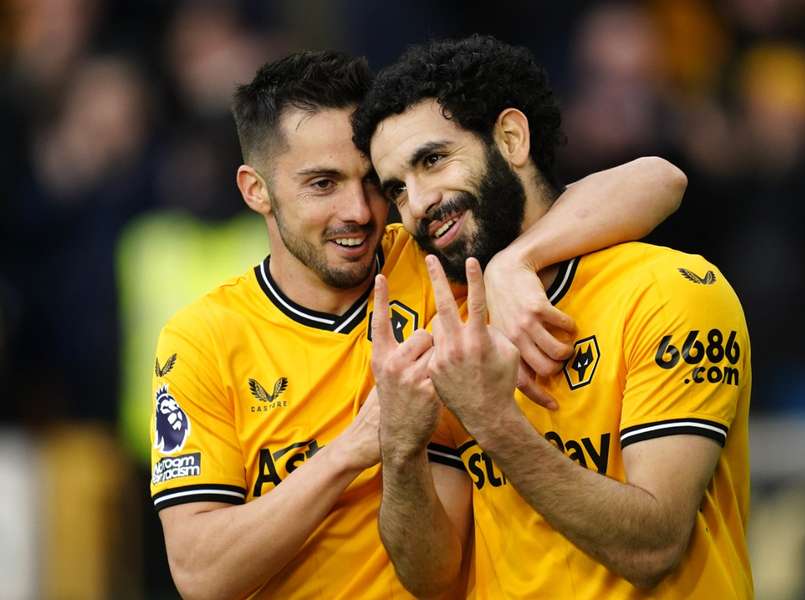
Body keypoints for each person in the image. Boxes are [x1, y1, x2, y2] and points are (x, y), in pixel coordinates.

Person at [150, 50, 687, 599]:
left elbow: (658, 179)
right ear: (255, 189)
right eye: (322, 184)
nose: (358, 211)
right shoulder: (204, 339)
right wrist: (356, 448)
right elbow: (201, 575)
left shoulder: (430, 254)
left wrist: (514, 261)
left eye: (373, 184)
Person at [353, 34, 752, 598]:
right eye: (397, 189)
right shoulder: (445, 321)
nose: (417, 204)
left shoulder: (668, 292)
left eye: (434, 160)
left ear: (512, 137)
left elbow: (654, 546)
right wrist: (397, 445)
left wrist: (492, 420)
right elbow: (433, 579)